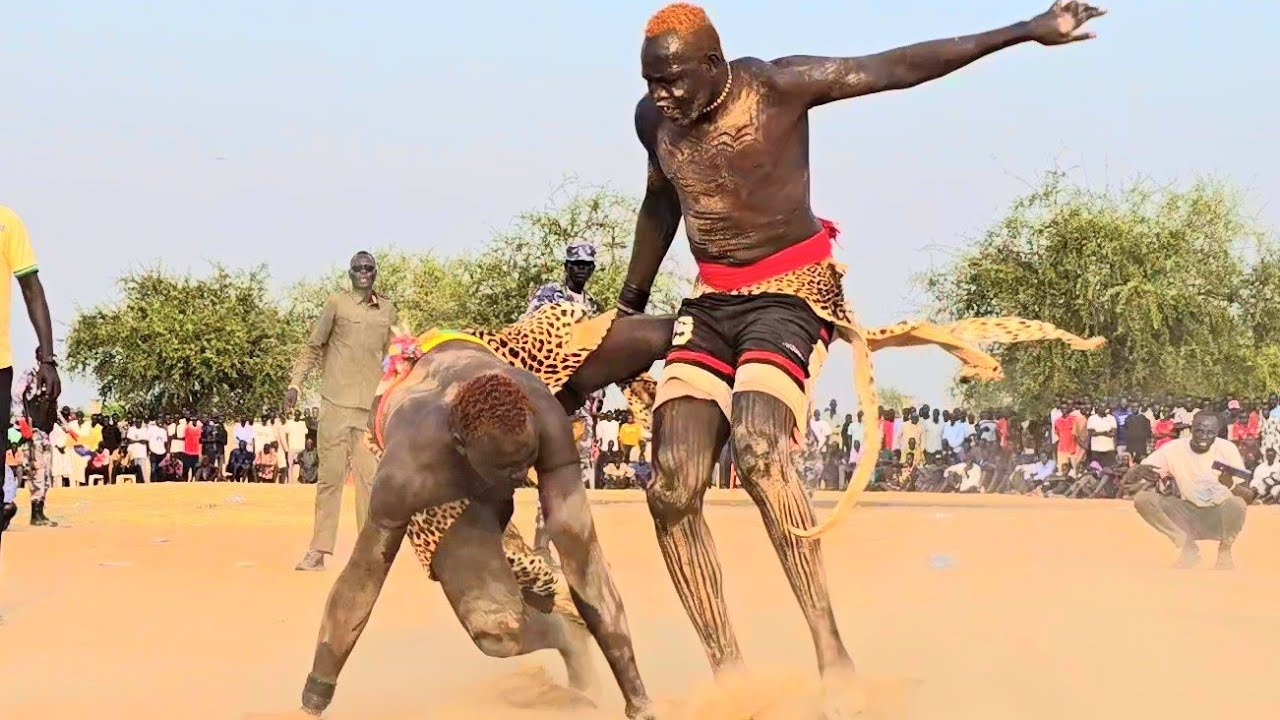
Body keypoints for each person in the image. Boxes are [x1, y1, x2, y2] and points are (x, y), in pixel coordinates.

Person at [618, 2, 1106, 709]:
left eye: (670, 82)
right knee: (670, 484)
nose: (660, 97)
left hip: (791, 291)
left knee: (758, 448)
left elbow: (899, 67)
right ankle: (728, 671)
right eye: (649, 83)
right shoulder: (652, 121)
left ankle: (830, 652)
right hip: (711, 301)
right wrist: (629, 305)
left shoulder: (778, 87)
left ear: (711, 65)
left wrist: (1024, 30)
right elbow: (661, 204)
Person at [296, 340, 656, 719]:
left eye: (526, 461)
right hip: (439, 482)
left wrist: (638, 700)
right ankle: (565, 635)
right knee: (496, 633)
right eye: (505, 469)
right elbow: (362, 577)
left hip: (464, 355)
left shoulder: (544, 417)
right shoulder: (410, 474)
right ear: (462, 448)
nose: (521, 478)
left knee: (569, 541)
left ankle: (596, 651)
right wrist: (313, 701)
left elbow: (584, 559)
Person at [287, 251, 397, 572]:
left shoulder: (387, 310)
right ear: (350, 273)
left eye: (369, 268)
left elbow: (395, 356)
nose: (364, 272)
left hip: (367, 412)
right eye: (358, 268)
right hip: (334, 405)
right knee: (330, 480)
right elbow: (313, 346)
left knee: (370, 481)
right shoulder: (336, 304)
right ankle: (318, 551)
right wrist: (295, 383)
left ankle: (367, 555)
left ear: (375, 273)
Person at [0, 206, 61, 538]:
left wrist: (48, 361)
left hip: (0, 371)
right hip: (28, 434)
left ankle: (24, 509)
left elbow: (31, 288)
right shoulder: (25, 384)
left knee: (32, 478)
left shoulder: (7, 223)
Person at [1124, 412, 1248, 569]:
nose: (1204, 436)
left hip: (1219, 516)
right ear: (1191, 429)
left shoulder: (1227, 449)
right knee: (1143, 499)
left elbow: (1247, 495)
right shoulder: (1173, 449)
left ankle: (1225, 551)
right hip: (1187, 514)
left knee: (1237, 503)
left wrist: (1232, 485)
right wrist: (1135, 471)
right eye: (1199, 431)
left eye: (1210, 432)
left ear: (1216, 434)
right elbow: (1136, 475)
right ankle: (1187, 548)